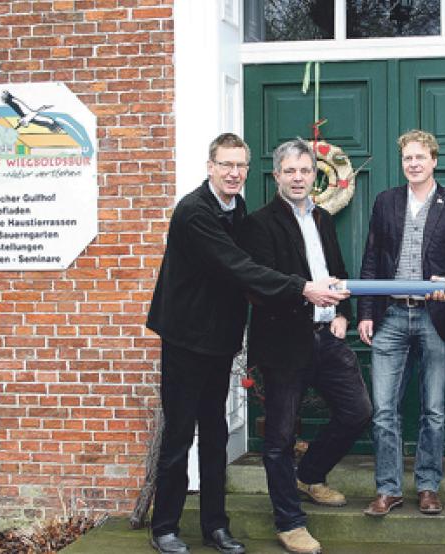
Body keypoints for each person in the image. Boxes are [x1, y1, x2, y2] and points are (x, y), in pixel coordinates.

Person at [145, 133, 347, 554]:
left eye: (240, 165)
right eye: (226, 165)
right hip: (185, 338)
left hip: (219, 340)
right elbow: (239, 267)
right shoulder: (194, 213)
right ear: (210, 166)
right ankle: (164, 526)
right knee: (180, 436)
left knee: (216, 435)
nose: (234, 173)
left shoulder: (237, 210)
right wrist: (303, 287)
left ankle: (215, 527)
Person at [238, 139, 373, 554]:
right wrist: (305, 293)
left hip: (326, 337)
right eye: (290, 171)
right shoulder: (259, 224)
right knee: (279, 438)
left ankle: (310, 473)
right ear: (276, 175)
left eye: (305, 170)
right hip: (283, 343)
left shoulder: (324, 219)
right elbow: (258, 284)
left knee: (358, 412)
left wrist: (341, 315)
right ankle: (289, 521)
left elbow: (339, 274)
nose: (298, 178)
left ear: (315, 175)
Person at [357, 129, 445, 517]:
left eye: (420, 157)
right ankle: (388, 489)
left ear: (434, 160)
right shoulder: (386, 202)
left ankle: (428, 486)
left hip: (436, 317)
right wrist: (365, 312)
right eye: (407, 158)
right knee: (383, 410)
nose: (413, 164)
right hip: (390, 314)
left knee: (434, 409)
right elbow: (372, 258)